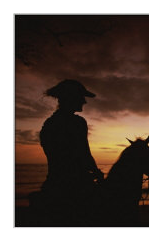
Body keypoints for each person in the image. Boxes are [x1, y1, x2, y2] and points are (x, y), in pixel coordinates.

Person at [39, 79, 103, 219]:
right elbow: (84, 154)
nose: (84, 102)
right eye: (82, 98)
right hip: (77, 186)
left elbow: (54, 157)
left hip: (53, 184)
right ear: (72, 97)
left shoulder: (48, 124)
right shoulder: (78, 123)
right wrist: (97, 173)